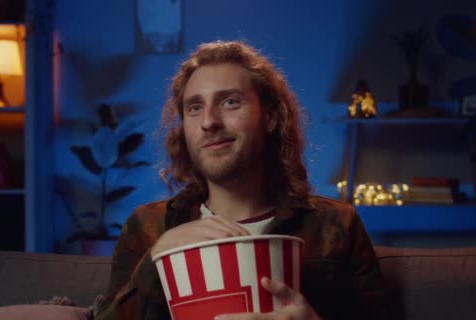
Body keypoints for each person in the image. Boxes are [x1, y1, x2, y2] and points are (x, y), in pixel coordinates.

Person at [93, 40, 391, 320]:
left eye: (230, 102)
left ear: (271, 117)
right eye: (194, 108)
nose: (209, 121)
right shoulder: (147, 228)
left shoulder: (338, 225)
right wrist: (159, 256)